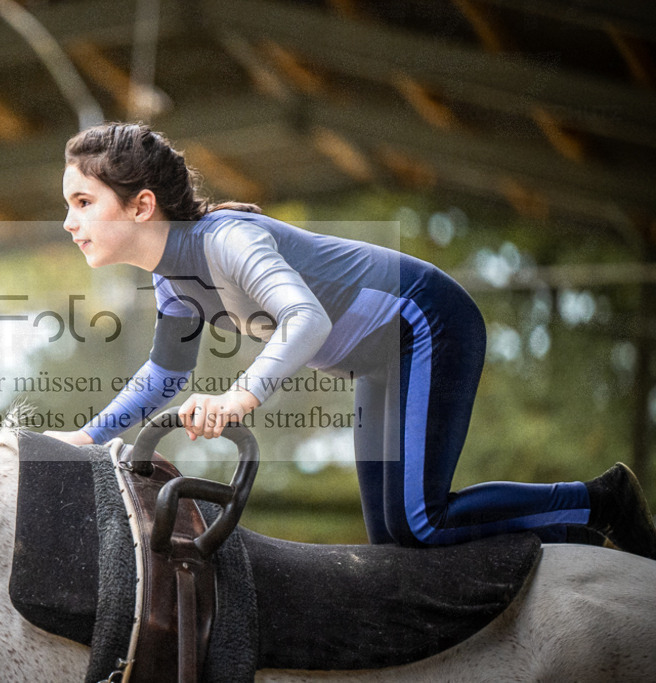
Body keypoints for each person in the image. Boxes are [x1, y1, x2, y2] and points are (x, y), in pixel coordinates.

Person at [44, 121, 656, 558]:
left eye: (83, 202)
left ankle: (601, 502)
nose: (69, 222)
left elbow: (305, 319)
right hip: (381, 361)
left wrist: (239, 396)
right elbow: (165, 376)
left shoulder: (227, 240)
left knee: (420, 522)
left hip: (429, 322)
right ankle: (576, 542)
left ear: (141, 206)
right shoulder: (172, 281)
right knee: (394, 541)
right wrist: (84, 438)